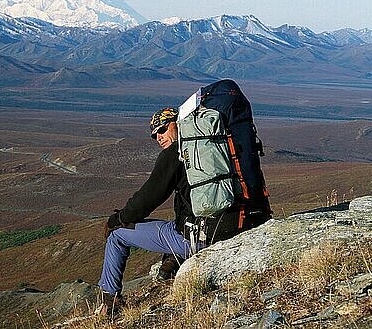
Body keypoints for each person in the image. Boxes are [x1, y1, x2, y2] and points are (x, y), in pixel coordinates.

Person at [96, 107, 270, 316]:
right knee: (177, 222)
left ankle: (110, 302)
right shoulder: (218, 145)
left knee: (117, 236)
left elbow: (148, 198)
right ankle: (173, 261)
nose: (159, 137)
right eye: (154, 135)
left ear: (178, 124)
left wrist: (119, 218)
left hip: (201, 238)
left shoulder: (175, 153)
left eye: (162, 129)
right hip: (242, 225)